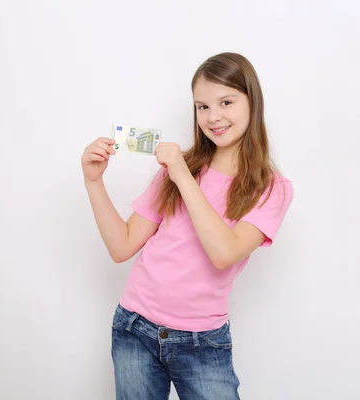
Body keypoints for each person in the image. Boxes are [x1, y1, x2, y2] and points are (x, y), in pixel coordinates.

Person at [80, 52, 293, 399]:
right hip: (134, 328)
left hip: (202, 342)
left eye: (226, 102)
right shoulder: (180, 168)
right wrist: (93, 182)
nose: (214, 117)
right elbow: (122, 246)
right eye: (202, 106)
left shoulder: (271, 189)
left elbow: (224, 253)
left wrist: (182, 175)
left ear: (253, 101)